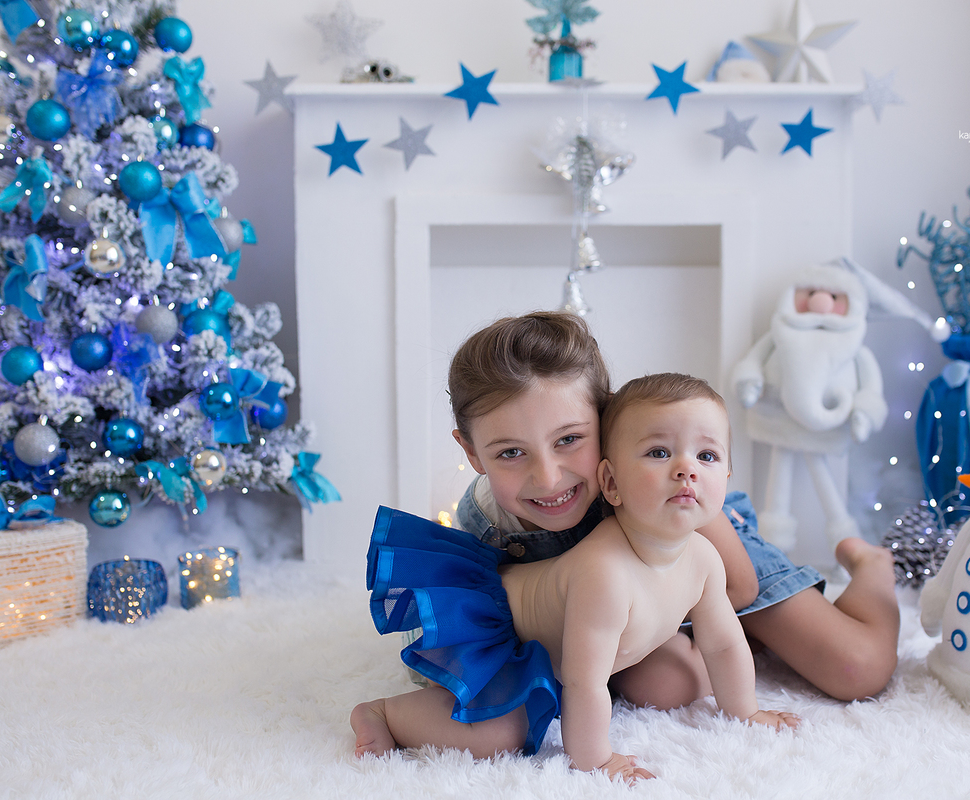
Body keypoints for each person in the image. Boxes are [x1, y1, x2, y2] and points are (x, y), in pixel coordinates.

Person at [352, 374, 798, 781]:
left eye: (707, 456)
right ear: (611, 483)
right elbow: (584, 680)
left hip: (575, 654)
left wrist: (746, 712)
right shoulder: (605, 572)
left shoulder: (704, 558)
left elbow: (723, 643)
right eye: (659, 453)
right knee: (503, 734)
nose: (687, 469)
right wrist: (596, 759)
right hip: (488, 636)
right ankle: (382, 714)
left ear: (726, 477)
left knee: (676, 683)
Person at [447, 311, 900, 707]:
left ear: (606, 422)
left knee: (856, 668)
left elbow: (739, 587)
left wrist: (687, 623)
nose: (548, 479)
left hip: (715, 569)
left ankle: (872, 566)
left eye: (569, 439)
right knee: (664, 685)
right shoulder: (484, 527)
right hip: (634, 613)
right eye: (510, 453)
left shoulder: (666, 487)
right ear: (471, 452)